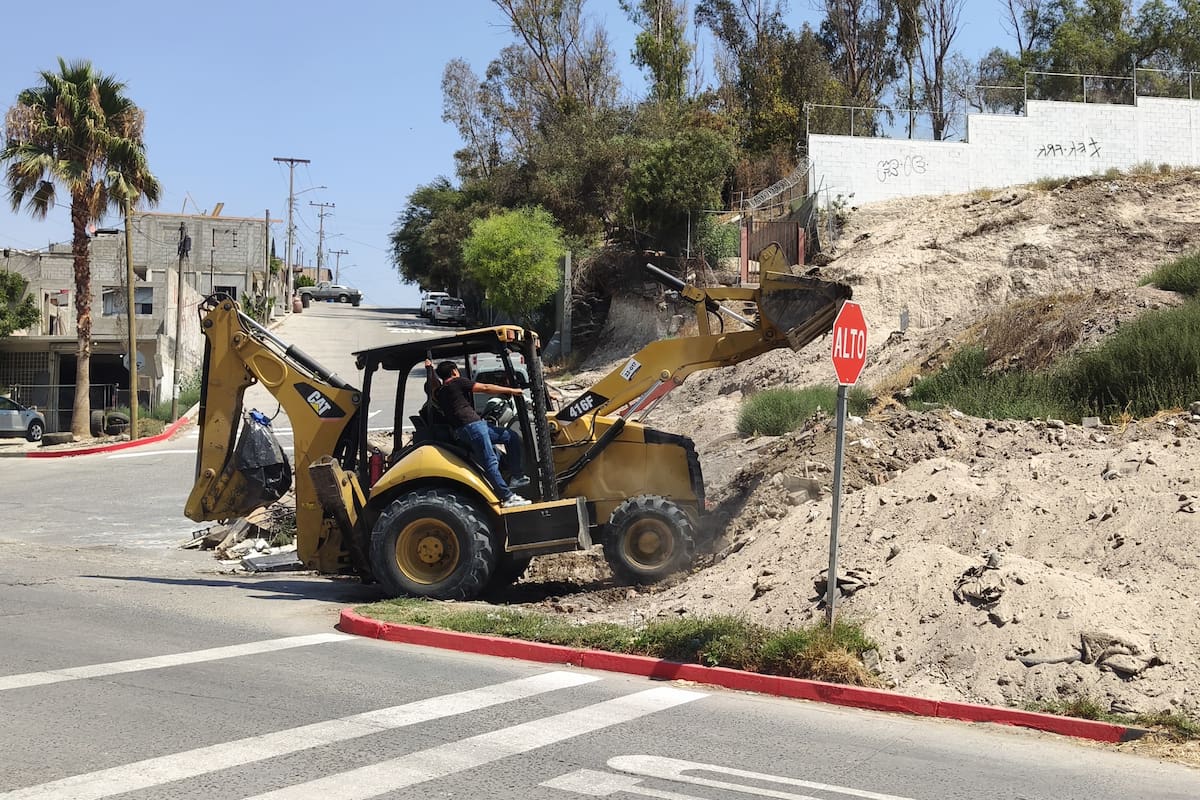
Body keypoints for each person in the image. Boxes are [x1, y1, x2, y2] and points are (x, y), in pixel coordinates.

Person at [427, 359, 531, 508]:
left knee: (510, 437)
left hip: (472, 428)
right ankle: (508, 497)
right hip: (473, 426)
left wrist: (430, 370)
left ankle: (517, 476)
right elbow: (486, 388)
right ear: (454, 371)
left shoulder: (439, 392)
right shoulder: (457, 382)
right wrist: (512, 391)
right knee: (490, 461)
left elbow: (433, 384)